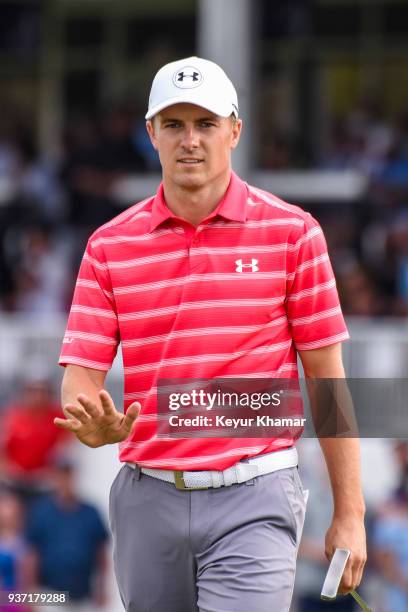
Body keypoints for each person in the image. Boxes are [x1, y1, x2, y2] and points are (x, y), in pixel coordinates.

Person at [55, 56, 367, 612]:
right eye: (173, 125)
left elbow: (327, 381)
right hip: (147, 495)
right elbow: (82, 376)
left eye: (205, 124)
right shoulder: (109, 245)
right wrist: (92, 424)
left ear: (234, 131)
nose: (190, 140)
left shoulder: (293, 233)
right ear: (151, 133)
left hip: (257, 494)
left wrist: (350, 514)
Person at [24, 460, 109, 611]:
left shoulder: (90, 512)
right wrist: (31, 592)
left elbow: (101, 552)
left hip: (82, 593)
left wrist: (102, 588)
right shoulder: (42, 512)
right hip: (50, 591)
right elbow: (32, 554)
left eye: (67, 477)